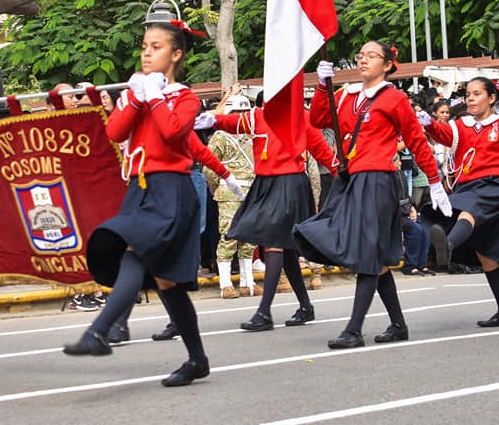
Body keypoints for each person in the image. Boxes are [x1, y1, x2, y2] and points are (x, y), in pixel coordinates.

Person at [62, 20, 210, 388]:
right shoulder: (141, 92)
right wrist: (136, 98)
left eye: (156, 47)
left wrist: (155, 97)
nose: (146, 52)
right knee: (165, 282)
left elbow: (174, 131)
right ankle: (198, 359)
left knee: (133, 252)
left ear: (175, 54)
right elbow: (114, 132)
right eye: (144, 46)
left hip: (171, 190)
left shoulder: (186, 97)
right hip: (140, 188)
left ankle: (98, 330)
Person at [295, 41, 451, 349]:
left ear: (388, 64)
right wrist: (324, 85)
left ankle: (354, 329)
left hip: (378, 180)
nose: (363, 60)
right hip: (351, 179)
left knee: (369, 251)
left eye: (372, 56)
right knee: (372, 256)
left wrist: (434, 181)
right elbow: (319, 120)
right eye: (360, 55)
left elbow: (416, 140)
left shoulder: (394, 98)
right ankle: (398, 324)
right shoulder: (347, 94)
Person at [195, 91, 336, 332]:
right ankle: (305, 306)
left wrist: (340, 173)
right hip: (267, 183)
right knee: (287, 250)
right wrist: (213, 119)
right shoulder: (260, 116)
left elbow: (321, 150)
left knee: (275, 244)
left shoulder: (299, 118)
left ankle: (264, 312)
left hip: (290, 184)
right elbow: (235, 123)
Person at [418, 77, 499, 328]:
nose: (470, 98)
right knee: (487, 254)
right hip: (467, 185)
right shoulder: (462, 125)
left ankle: (448, 246)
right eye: (468, 95)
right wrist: (429, 123)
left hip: (494, 185)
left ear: (492, 98)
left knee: (467, 211)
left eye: (477, 94)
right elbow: (443, 135)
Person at [204, 93, 257, 299]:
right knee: (228, 236)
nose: (240, 115)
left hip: (251, 190)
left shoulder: (251, 134)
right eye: (236, 112)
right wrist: (222, 186)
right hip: (228, 192)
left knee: (249, 238)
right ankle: (225, 284)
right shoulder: (220, 136)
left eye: (244, 112)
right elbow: (209, 165)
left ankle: (247, 282)